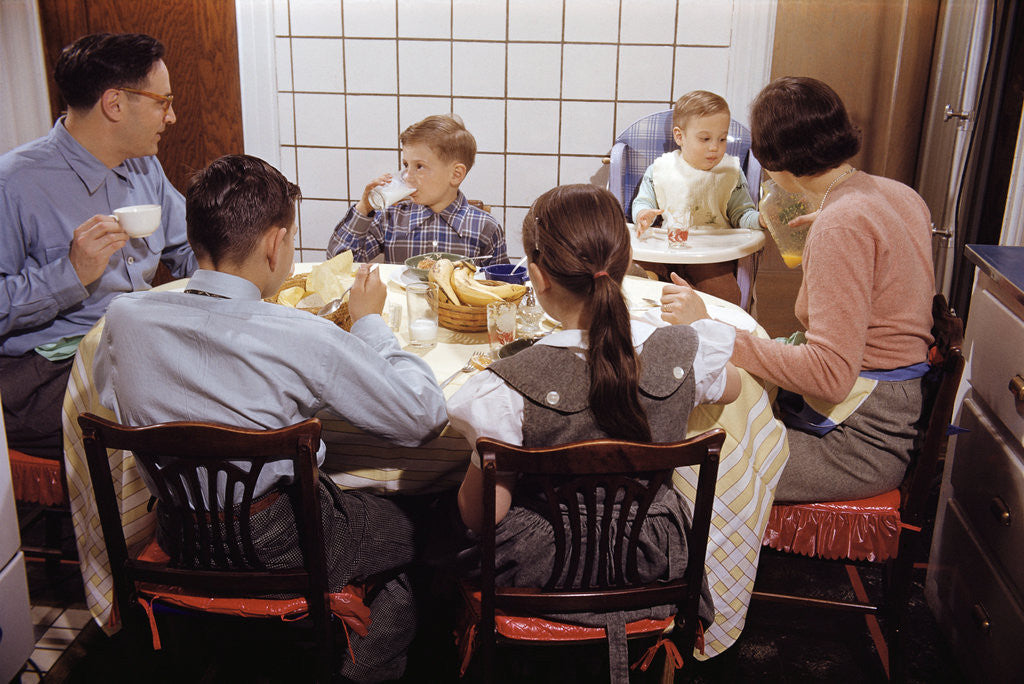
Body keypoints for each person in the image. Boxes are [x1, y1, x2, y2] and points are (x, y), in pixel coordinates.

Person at [93, 154, 448, 682]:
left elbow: (116, 400)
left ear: (194, 237)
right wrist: (371, 322)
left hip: (179, 529)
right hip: (283, 538)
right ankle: (366, 660)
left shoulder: (122, 318)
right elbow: (422, 418)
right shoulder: (300, 334)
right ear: (276, 243)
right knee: (427, 521)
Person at [447, 184, 740, 677]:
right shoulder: (684, 354)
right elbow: (729, 387)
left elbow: (482, 517)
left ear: (537, 277)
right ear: (625, 266)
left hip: (544, 568)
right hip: (652, 557)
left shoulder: (501, 389)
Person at [660, 77, 935, 503]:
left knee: (681, 458)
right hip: (900, 412)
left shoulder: (842, 223)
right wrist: (830, 223)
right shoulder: (897, 195)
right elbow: (887, 269)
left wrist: (710, 328)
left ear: (772, 159)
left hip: (857, 441)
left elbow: (828, 375)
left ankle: (684, 567)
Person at [0, 32, 195, 460]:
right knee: (187, 411)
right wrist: (68, 274)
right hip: (47, 374)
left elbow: (190, 252)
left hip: (133, 349)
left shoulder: (146, 167)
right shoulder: (13, 183)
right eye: (163, 101)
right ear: (115, 104)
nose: (172, 116)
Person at [630, 90, 762, 306]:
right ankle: (659, 289)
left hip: (709, 255)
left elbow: (742, 215)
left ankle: (689, 299)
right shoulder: (661, 169)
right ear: (679, 136)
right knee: (633, 274)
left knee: (728, 297)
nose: (714, 147)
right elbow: (644, 202)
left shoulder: (730, 173)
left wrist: (760, 220)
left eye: (722, 139)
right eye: (705, 139)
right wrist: (643, 214)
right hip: (665, 249)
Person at [327, 114, 508, 267]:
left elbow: (501, 288)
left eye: (420, 166)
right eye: (406, 165)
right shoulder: (391, 219)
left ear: (456, 174)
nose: (406, 176)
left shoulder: (485, 228)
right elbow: (338, 264)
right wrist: (363, 209)